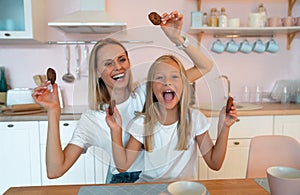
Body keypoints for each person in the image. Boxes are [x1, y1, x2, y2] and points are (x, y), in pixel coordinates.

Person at [32, 11, 213, 183]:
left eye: (121, 59)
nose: (118, 67)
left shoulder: (148, 93)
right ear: (97, 72)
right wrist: (53, 112)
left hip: (154, 181)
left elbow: (204, 67)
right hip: (120, 182)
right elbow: (55, 171)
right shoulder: (91, 119)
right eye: (108, 63)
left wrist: (177, 38)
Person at [107, 55, 238, 182]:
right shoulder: (142, 123)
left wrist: (224, 127)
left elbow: (215, 163)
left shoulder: (195, 119)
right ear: (151, 87)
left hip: (183, 190)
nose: (167, 82)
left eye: (174, 76)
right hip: (151, 189)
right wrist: (115, 130)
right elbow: (122, 166)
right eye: (159, 78)